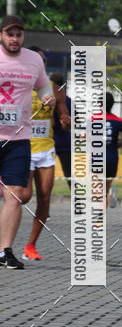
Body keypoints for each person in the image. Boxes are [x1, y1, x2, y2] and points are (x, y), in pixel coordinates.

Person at [0, 15, 54, 269]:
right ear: (1, 35)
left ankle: (5, 251)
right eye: (10, 34)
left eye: (18, 34)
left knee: (15, 195)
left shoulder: (33, 60)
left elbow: (44, 87)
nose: (14, 39)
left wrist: (48, 97)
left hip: (20, 138)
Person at [20, 48, 69, 260]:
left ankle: (30, 246)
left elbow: (64, 116)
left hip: (46, 148)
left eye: (42, 61)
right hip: (22, 146)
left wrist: (65, 121)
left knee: (45, 198)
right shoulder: (17, 87)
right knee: (24, 196)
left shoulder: (56, 90)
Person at [104, 91, 122, 207]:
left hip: (97, 158)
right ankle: (110, 193)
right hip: (112, 159)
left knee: (96, 189)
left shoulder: (92, 119)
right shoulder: (118, 121)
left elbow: (83, 135)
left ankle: (98, 222)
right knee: (105, 189)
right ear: (112, 104)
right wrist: (121, 143)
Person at [50, 72, 72, 190]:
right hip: (65, 142)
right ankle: (78, 200)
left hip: (48, 142)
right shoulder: (69, 101)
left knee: (42, 175)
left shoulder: (44, 99)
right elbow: (75, 121)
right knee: (70, 175)